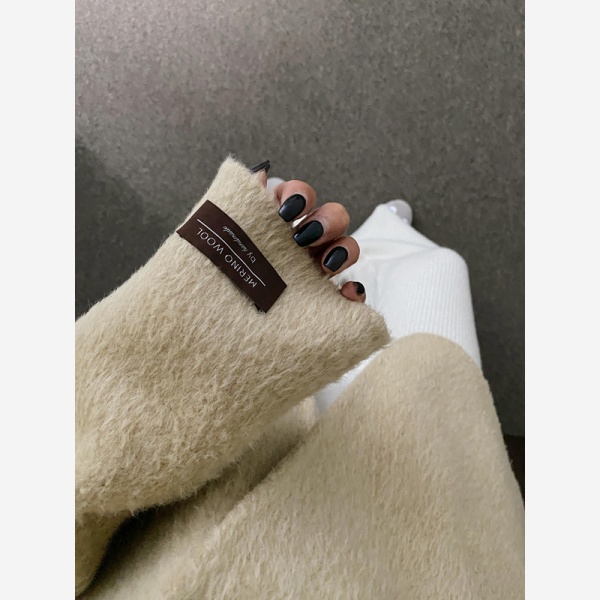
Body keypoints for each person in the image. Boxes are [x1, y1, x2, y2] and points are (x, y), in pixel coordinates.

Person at [76, 158, 524, 598]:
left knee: (366, 267)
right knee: (439, 269)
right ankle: (390, 230)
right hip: (395, 544)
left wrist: (182, 337)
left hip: (215, 486)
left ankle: (385, 234)